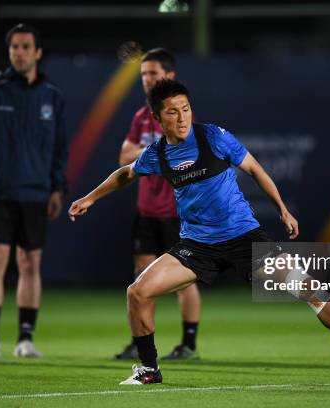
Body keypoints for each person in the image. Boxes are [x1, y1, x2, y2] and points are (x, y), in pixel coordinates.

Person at [68, 79, 330, 384]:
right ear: (157, 118)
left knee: (306, 286)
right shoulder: (158, 155)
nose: (182, 117)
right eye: (172, 111)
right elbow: (126, 174)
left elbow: (253, 167)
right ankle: (150, 371)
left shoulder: (213, 137)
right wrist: (89, 198)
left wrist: (281, 207)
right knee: (137, 293)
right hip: (196, 247)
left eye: (186, 108)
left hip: (243, 239)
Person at [0, 24, 67, 358]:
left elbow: (59, 148)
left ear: (37, 53)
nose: (20, 52)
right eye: (14, 47)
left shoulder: (52, 97)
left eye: (26, 46)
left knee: (30, 263)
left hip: (36, 193)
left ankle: (25, 339)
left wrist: (57, 188)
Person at [115, 48, 201, 361]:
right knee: (141, 279)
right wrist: (155, 151)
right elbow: (124, 157)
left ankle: (188, 343)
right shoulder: (143, 116)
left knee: (183, 279)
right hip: (146, 208)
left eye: (153, 73)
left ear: (170, 76)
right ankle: (140, 342)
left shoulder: (180, 115)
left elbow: (187, 156)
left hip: (177, 211)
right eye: (143, 74)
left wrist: (148, 153)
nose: (147, 79)